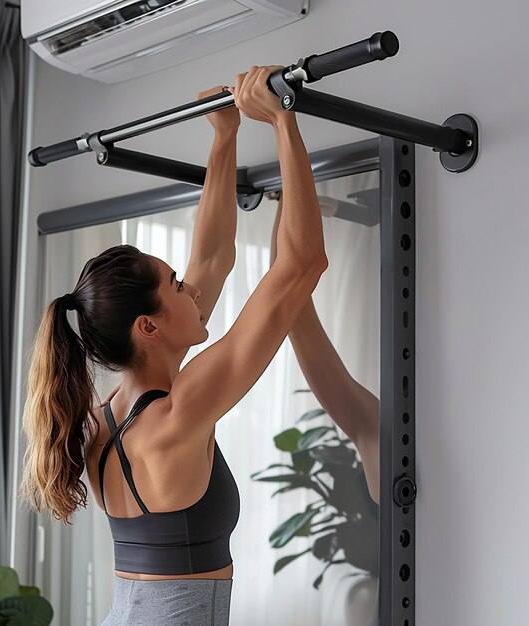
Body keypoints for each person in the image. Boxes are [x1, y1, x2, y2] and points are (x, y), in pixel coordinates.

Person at [19, 65, 329, 626]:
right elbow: (301, 265)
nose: (192, 288)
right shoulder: (176, 414)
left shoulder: (102, 419)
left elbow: (211, 260)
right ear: (149, 327)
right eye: (175, 286)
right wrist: (283, 120)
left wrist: (225, 135)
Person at [269, 192, 380, 505]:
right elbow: (292, 304)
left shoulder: (377, 432)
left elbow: (292, 304)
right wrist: (290, 197)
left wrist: (290, 197)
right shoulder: (379, 433)